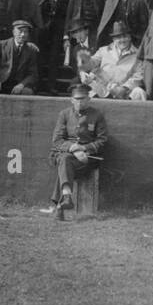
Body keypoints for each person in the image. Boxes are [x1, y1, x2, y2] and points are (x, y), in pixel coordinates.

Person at [46, 82, 109, 221]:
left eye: (83, 99)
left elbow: (102, 140)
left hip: (88, 158)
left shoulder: (97, 115)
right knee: (65, 159)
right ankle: (65, 198)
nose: (80, 102)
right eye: (77, 99)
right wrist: (73, 148)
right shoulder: (64, 114)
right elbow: (57, 140)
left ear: (89, 99)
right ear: (71, 100)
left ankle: (60, 204)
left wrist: (84, 149)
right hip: (67, 154)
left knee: (64, 162)